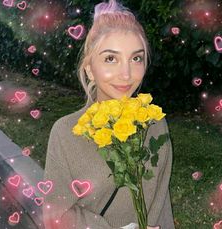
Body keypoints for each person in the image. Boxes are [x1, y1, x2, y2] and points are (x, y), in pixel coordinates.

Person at [43, 0, 175, 228]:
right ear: (89, 70)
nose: (126, 74)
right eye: (110, 59)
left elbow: (161, 200)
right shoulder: (66, 133)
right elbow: (56, 214)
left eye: (136, 58)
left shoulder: (155, 123)